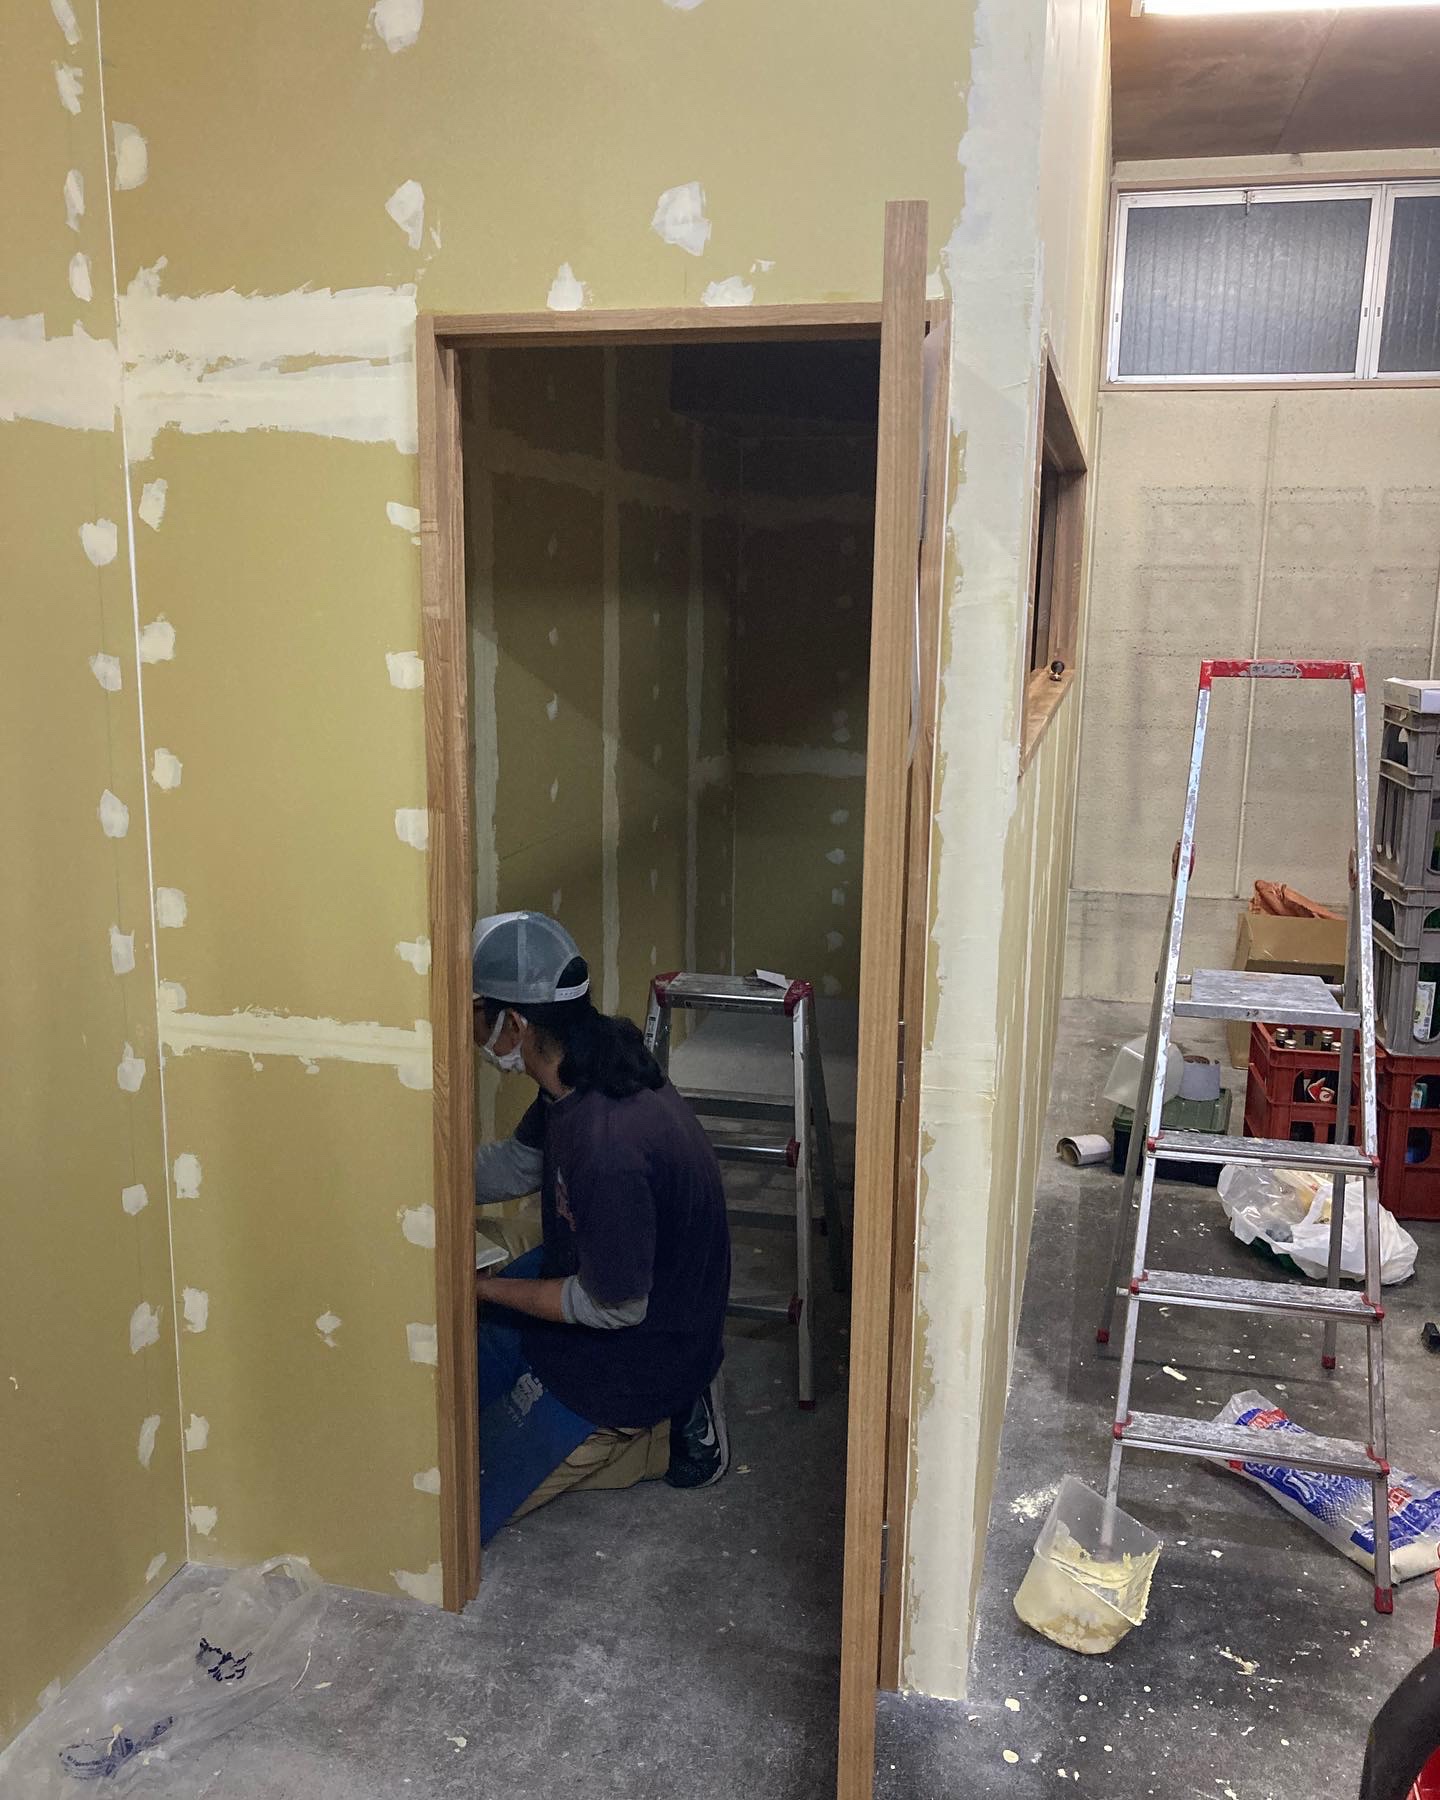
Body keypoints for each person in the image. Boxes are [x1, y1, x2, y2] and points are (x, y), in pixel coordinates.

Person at [470, 910, 732, 1544]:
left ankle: (663, 1427)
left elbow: (612, 1308)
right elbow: (516, 1165)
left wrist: (478, 1286)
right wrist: (413, 1183)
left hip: (637, 1343)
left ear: (515, 1023)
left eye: (476, 1013)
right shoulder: (579, 1067)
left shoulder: (608, 1142)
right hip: (606, 1269)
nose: (467, 1029)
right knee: (460, 1374)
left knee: (453, 1507)